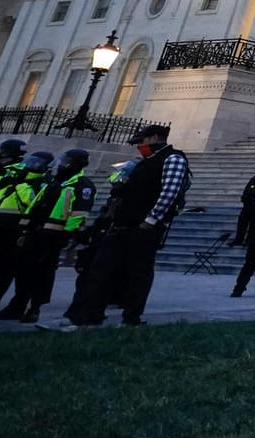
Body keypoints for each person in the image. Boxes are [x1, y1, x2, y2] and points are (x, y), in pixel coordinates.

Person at [60, 124, 190, 328]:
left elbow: (170, 192)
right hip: (121, 225)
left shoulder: (173, 158)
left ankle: (131, 318)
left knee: (138, 273)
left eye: (141, 141)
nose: (139, 145)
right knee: (100, 270)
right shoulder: (144, 162)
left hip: (143, 227)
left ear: (155, 137)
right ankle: (85, 316)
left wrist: (151, 220)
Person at [0, 148, 93, 323]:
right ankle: (17, 305)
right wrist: (25, 228)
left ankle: (35, 308)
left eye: (66, 162)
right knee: (23, 270)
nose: (62, 165)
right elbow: (35, 205)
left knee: (42, 273)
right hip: (35, 232)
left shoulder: (82, 185)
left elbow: (78, 214)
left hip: (54, 235)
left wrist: (68, 235)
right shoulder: (54, 181)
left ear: (75, 164)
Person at [0, 149, 51, 310]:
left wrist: (20, 185)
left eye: (36, 163)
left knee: (3, 269)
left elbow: (32, 203)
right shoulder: (12, 178)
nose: (30, 166)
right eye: (30, 162)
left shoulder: (40, 183)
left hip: (13, 230)